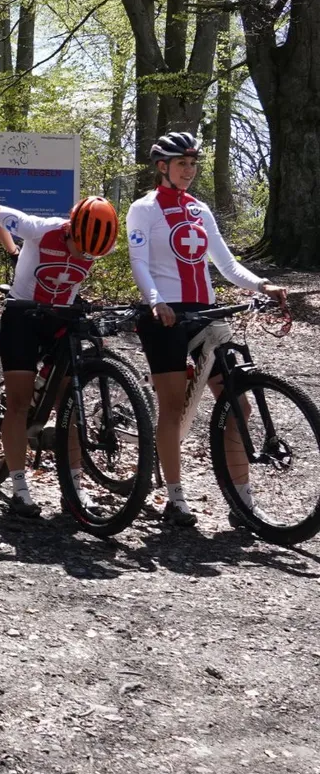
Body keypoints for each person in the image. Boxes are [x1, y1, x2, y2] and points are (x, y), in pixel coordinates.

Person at [125, 132, 286, 528]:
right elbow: (139, 261)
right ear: (162, 166)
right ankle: (175, 498)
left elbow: (227, 264)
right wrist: (155, 300)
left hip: (205, 312)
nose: (190, 171)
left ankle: (241, 499)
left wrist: (262, 285)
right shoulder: (143, 209)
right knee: (173, 404)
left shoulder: (199, 209)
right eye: (183, 164)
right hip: (165, 314)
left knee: (239, 404)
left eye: (194, 164)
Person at [0, 195, 119, 518]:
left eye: (91, 255)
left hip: (60, 319)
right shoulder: (40, 229)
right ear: (71, 229)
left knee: (68, 404)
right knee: (18, 402)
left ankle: (74, 488)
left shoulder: (100, 245)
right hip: (23, 316)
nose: (83, 256)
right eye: (80, 248)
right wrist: (14, 252)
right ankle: (19, 487)